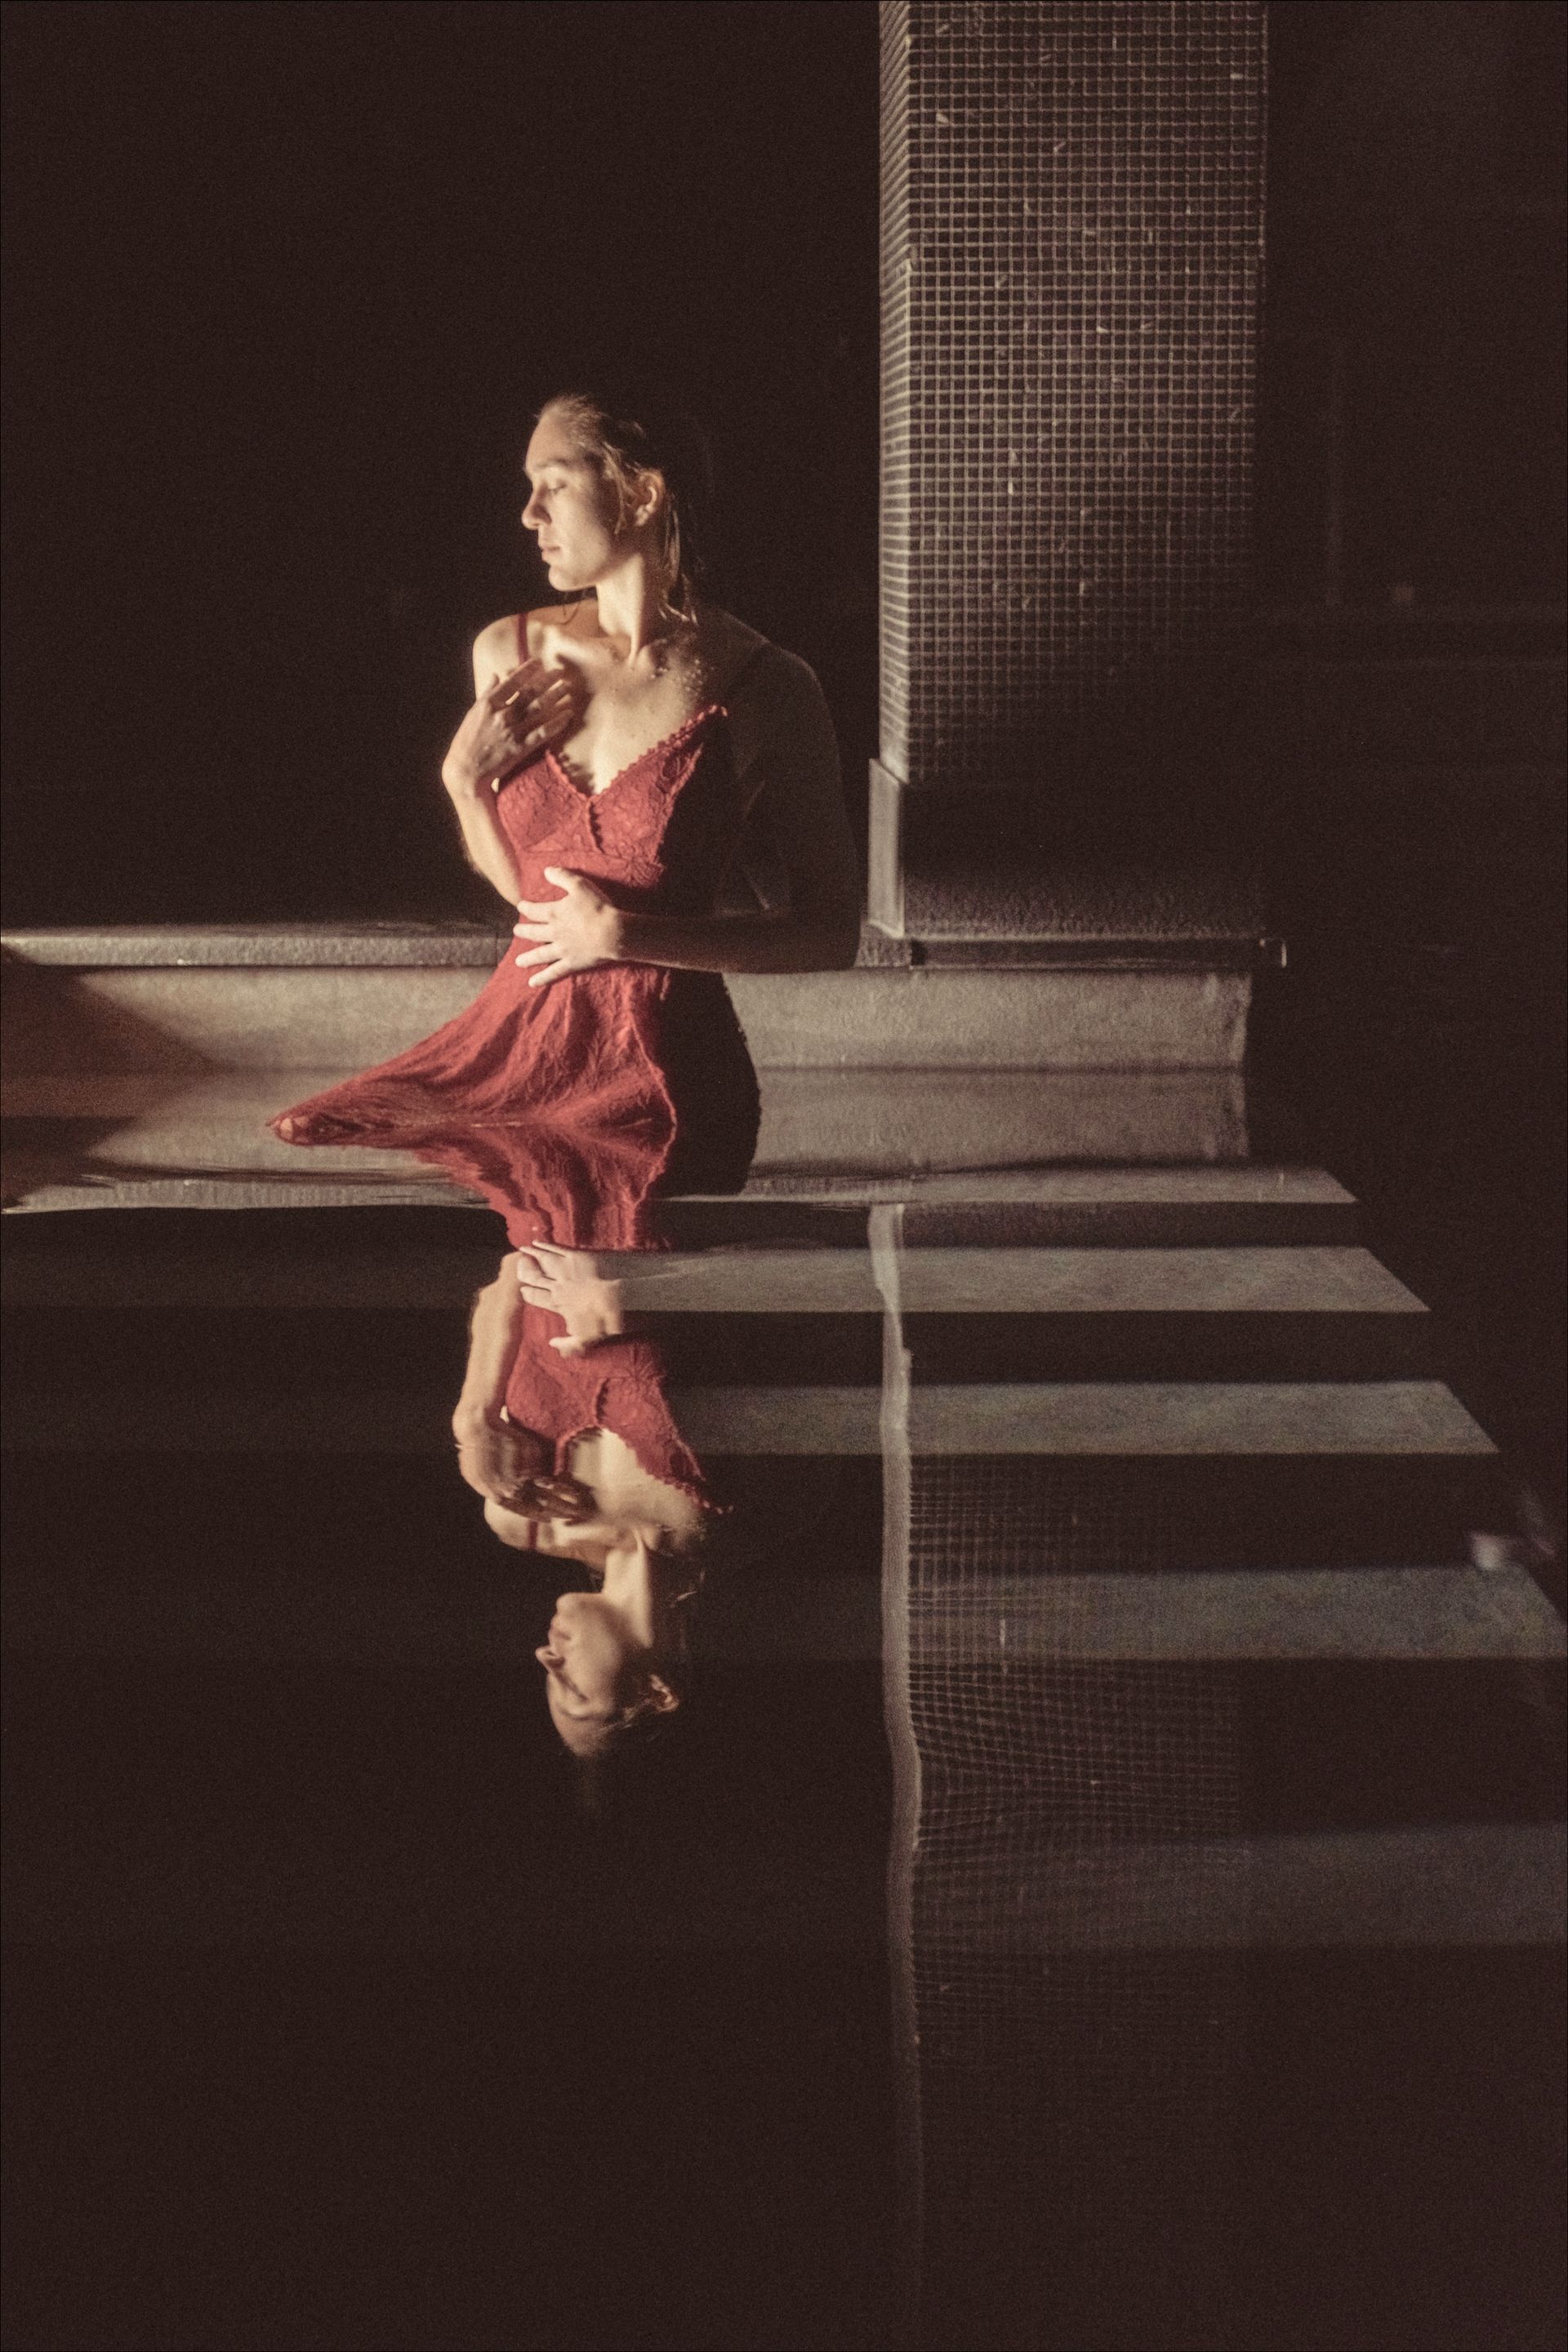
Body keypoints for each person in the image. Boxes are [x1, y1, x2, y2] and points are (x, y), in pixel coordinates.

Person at [271, 380, 861, 1191]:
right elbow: (532, 900)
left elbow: (831, 934)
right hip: (513, 1061)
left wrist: (629, 939)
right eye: (528, 489)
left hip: (664, 1087)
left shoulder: (768, 684)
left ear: (642, 493)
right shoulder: (505, 651)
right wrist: (461, 784)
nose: (528, 515)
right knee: (310, 1136)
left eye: (553, 484)